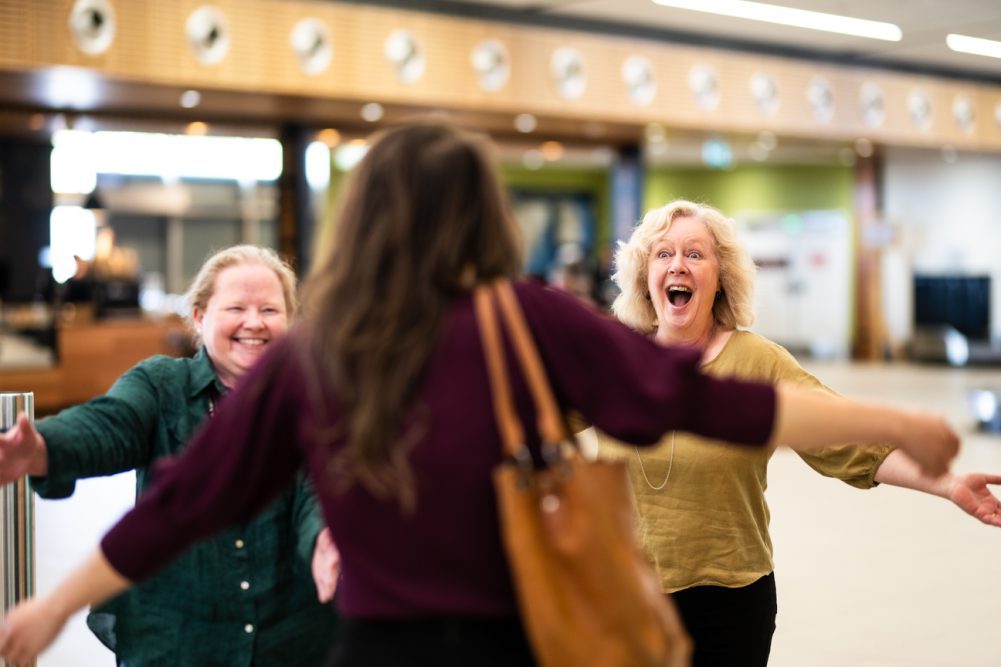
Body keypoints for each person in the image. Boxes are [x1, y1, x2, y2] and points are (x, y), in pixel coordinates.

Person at [0, 123, 961, 667]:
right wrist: (886, 416)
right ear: (481, 216)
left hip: (376, 651)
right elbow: (709, 401)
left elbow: (185, 499)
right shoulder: (529, 319)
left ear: (366, 218)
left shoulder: (321, 351)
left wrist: (50, 611)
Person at [597, 199, 1001, 667]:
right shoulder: (611, 360)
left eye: (694, 253)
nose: (677, 266)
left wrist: (948, 483)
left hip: (728, 603)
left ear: (721, 275)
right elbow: (529, 418)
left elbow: (849, 441)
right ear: (644, 275)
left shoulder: (757, 361)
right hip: (623, 595)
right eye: (663, 254)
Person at [0, 245, 339, 666]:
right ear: (200, 316)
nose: (254, 323)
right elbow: (109, 425)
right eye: (237, 307)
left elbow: (318, 488)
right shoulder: (161, 386)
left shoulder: (314, 400)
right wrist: (43, 447)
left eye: (270, 310)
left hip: (289, 641)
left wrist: (328, 540)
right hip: (176, 640)